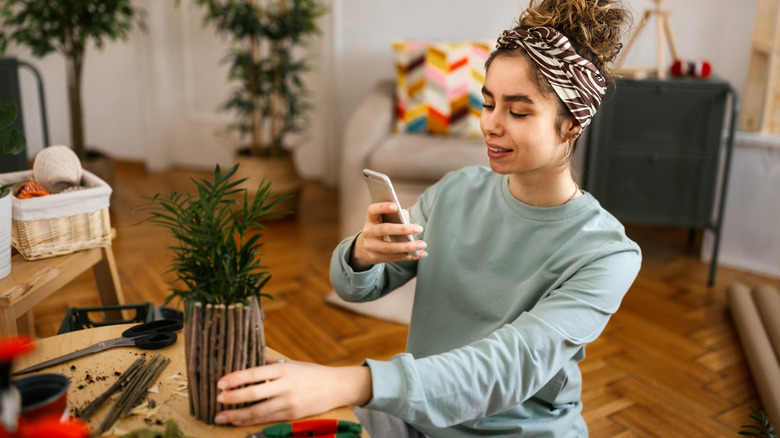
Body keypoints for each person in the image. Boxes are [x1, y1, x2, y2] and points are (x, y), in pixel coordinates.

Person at [213, 0, 640, 436]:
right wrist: (362, 253)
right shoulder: (456, 191)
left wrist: (349, 382)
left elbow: (508, 367)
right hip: (415, 415)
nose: (491, 125)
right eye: (488, 103)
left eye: (517, 111)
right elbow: (355, 288)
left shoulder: (606, 255)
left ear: (571, 124)